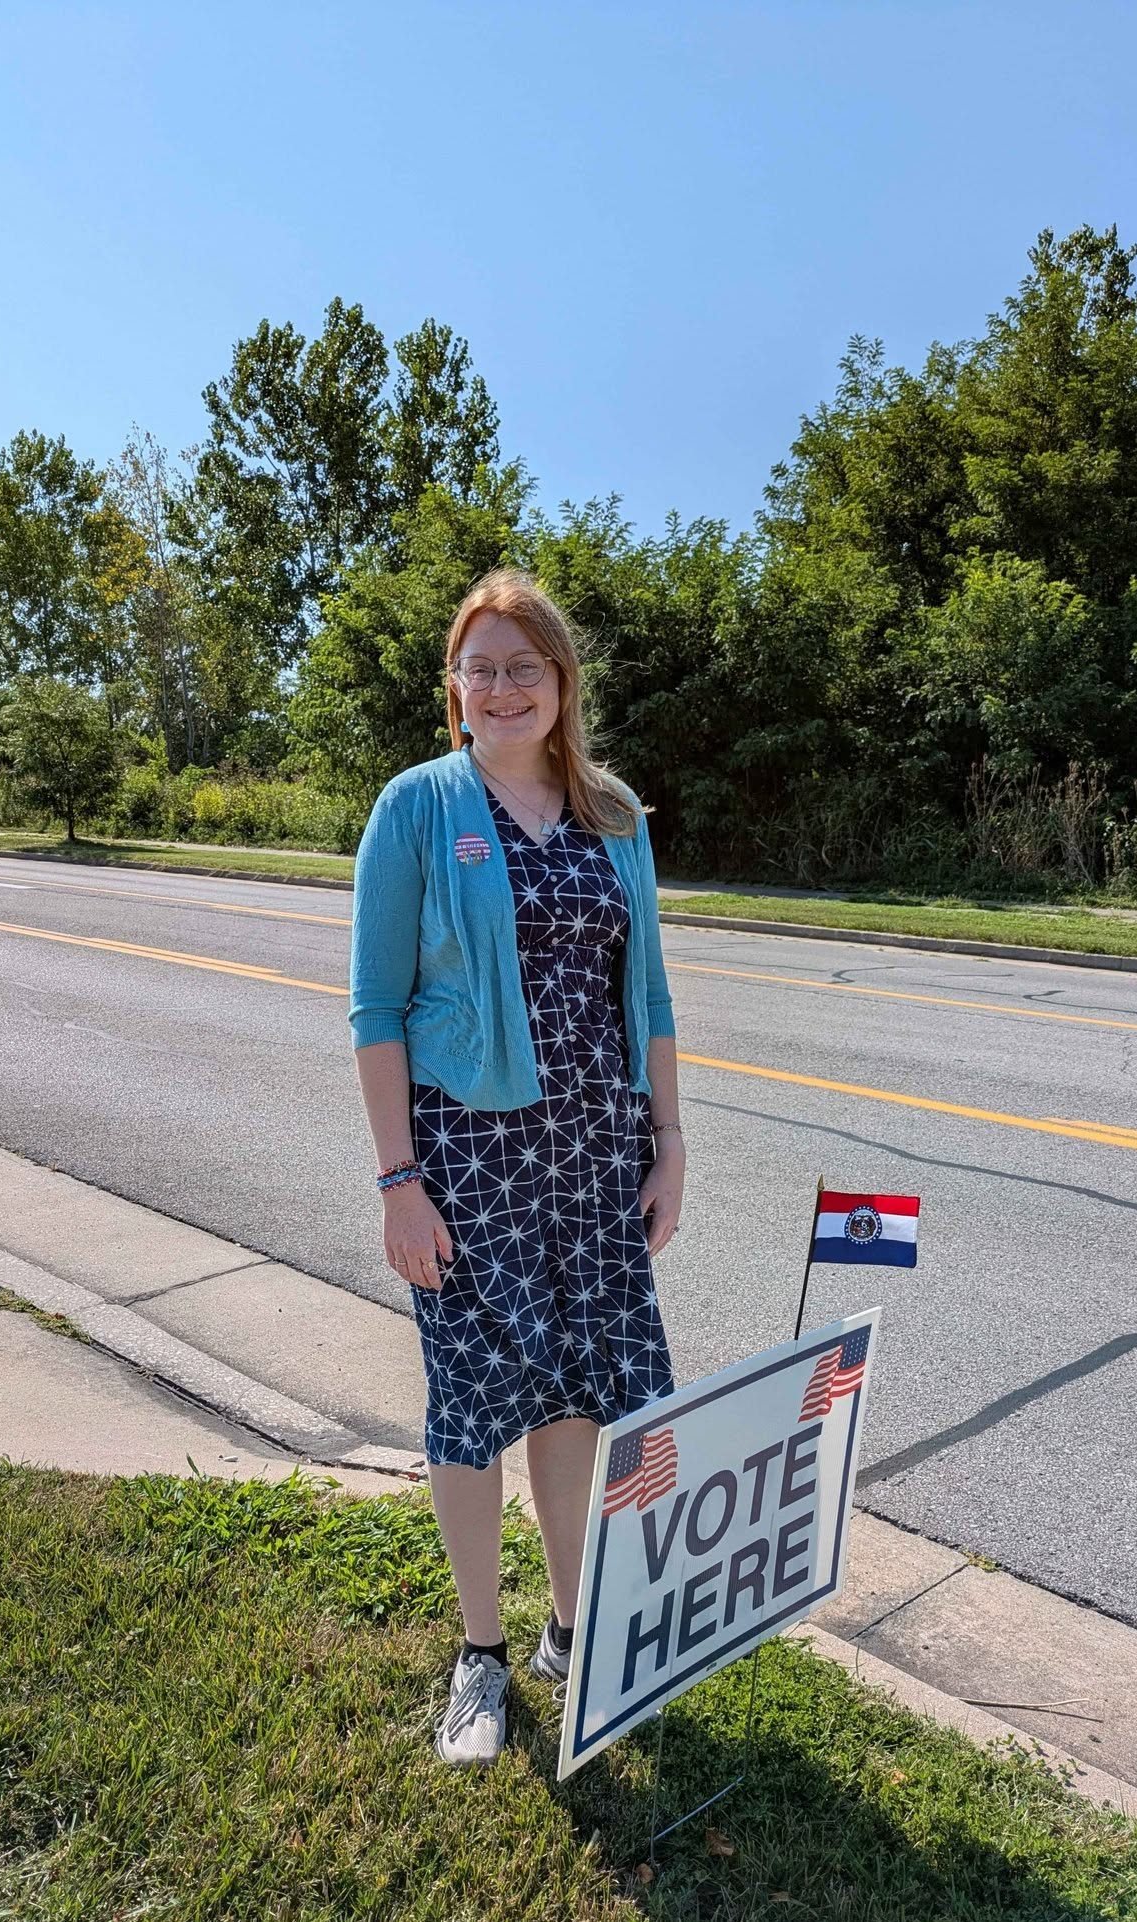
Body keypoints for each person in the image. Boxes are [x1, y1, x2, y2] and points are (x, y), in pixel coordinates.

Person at [348, 566, 685, 1766]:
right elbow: (374, 1007)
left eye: (521, 666)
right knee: (472, 1401)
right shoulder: (416, 808)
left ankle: (568, 1625)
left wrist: (668, 1139)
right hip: (468, 1157)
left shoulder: (613, 814)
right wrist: (399, 1180)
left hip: (595, 1153)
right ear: (455, 688)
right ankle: (479, 1659)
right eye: (479, 667)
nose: (500, 687)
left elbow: (642, 990)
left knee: (577, 1390)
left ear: (559, 683)